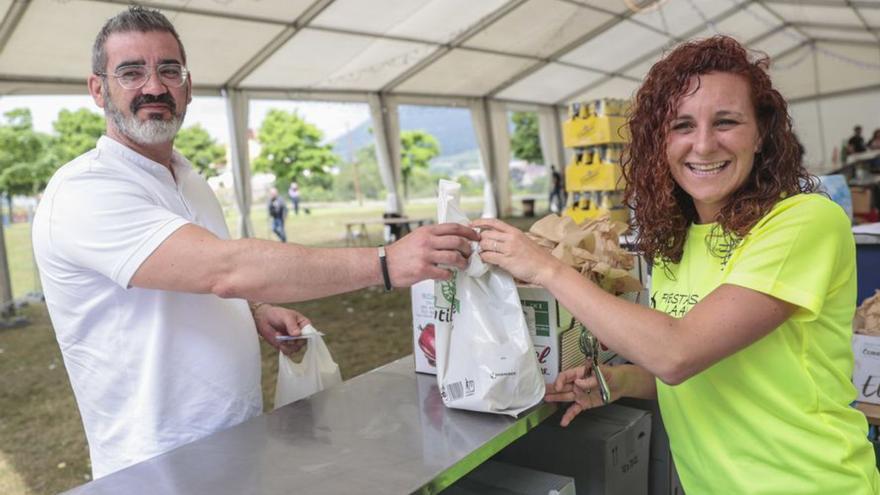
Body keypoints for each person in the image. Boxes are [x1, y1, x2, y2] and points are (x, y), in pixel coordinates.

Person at [31, 6, 476, 479]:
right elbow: (224, 269)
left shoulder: (187, 177)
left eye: (168, 70)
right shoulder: (86, 190)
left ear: (188, 84)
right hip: (155, 466)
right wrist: (386, 263)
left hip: (233, 442)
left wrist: (255, 309)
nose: (154, 87)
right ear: (98, 88)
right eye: (131, 72)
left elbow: (196, 273)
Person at [474, 36, 879, 494]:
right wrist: (618, 380)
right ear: (659, 141)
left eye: (726, 121)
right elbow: (702, 366)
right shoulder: (677, 239)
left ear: (762, 132)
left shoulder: (804, 221)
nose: (703, 145)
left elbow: (677, 352)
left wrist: (547, 269)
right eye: (682, 125)